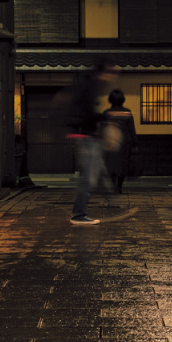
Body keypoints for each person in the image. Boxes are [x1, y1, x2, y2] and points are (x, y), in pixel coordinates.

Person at [65, 62, 118, 225]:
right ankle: (79, 214)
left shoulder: (87, 85)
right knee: (88, 177)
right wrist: (106, 117)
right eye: (111, 72)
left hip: (84, 134)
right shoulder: (90, 87)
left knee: (92, 173)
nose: (112, 77)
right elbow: (87, 114)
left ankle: (84, 209)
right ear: (103, 72)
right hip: (85, 135)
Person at [102, 89, 139, 194]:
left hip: (109, 142)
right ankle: (119, 186)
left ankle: (113, 184)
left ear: (110, 100)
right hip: (124, 143)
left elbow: (103, 129)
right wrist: (135, 143)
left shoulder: (107, 113)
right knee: (123, 165)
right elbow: (131, 129)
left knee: (111, 164)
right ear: (123, 99)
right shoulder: (126, 113)